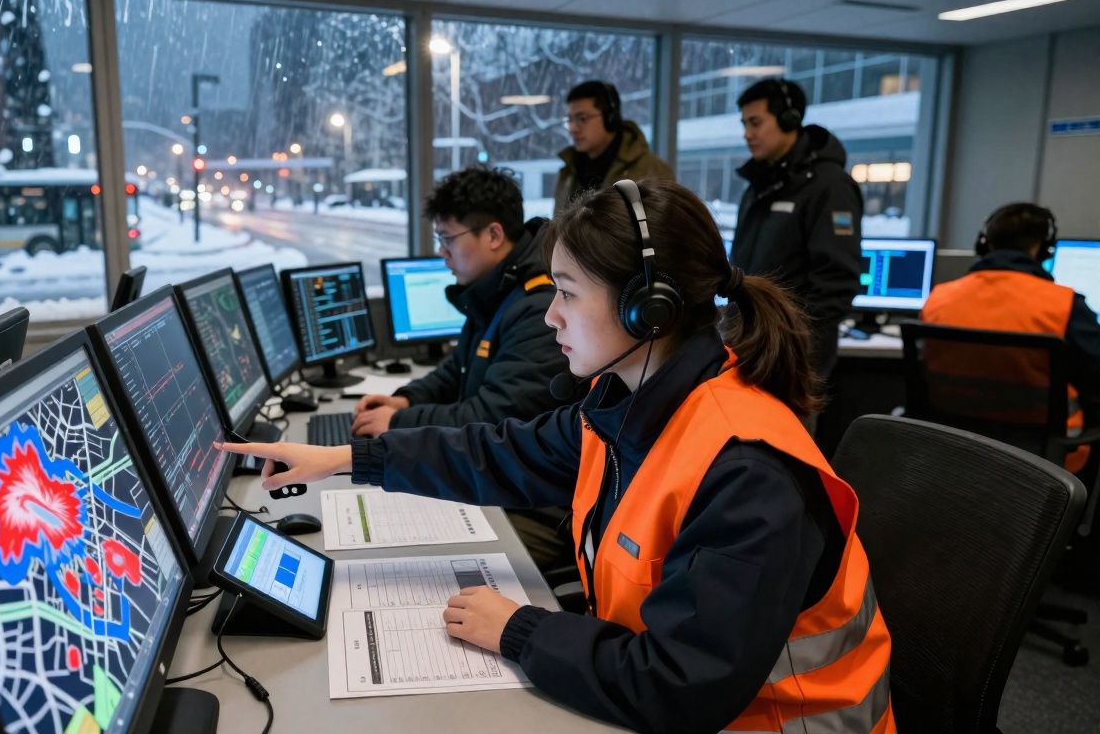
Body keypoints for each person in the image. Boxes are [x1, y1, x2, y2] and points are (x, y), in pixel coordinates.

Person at [221, 178, 895, 733]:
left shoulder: (747, 472)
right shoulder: (629, 406)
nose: (550, 317)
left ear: (646, 311)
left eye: (568, 294)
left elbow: (678, 686)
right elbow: (500, 453)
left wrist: (519, 630)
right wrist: (346, 460)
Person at [351, 166, 571, 439]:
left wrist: (398, 421)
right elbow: (459, 369)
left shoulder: (538, 308)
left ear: (493, 235)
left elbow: (493, 417)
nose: (442, 252)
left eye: (447, 239)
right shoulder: (497, 290)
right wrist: (407, 399)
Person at [922, 202, 1100, 474]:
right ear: (1044, 248)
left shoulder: (939, 297)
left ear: (984, 244)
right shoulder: (1064, 305)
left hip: (953, 442)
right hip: (1043, 454)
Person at [732, 78, 862, 384]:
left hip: (791, 355)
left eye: (755, 123)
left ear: (789, 119)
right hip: (748, 344)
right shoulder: (760, 184)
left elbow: (835, 283)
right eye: (744, 124)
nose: (747, 134)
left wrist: (794, 343)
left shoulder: (828, 187)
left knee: (784, 432)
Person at [552, 80, 673, 216]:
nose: (573, 128)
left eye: (582, 118)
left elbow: (664, 232)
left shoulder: (652, 170)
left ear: (610, 118)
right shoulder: (568, 172)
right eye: (570, 120)